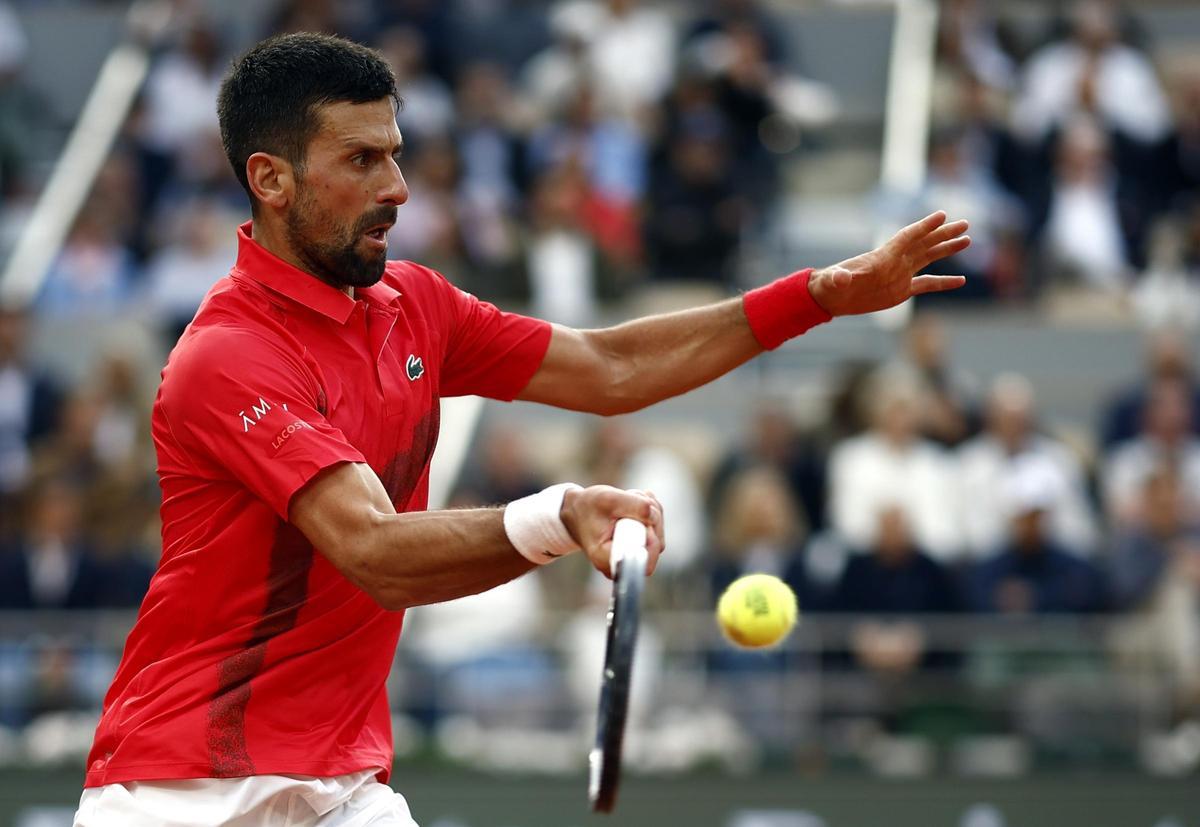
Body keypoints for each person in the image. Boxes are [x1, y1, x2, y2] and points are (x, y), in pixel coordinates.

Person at [72, 33, 968, 827]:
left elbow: (611, 369)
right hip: (182, 786)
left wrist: (816, 297)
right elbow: (374, 551)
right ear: (271, 179)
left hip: (342, 782)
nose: (398, 186)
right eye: (360, 161)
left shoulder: (414, 304)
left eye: (395, 152)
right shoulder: (225, 355)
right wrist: (557, 515)